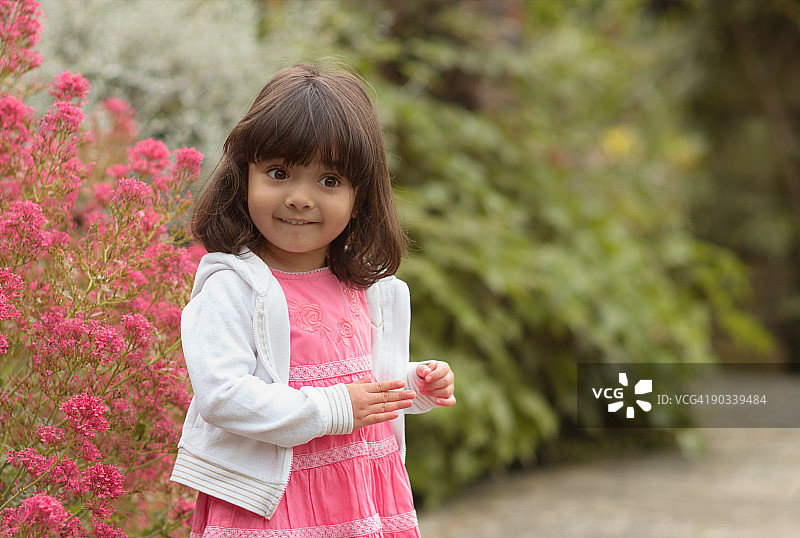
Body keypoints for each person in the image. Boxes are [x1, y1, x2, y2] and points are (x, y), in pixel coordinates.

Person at [170, 64, 456, 537]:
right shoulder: (234, 286)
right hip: (272, 504)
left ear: (360, 196)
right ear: (244, 178)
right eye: (279, 173)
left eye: (329, 181)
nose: (300, 198)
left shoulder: (364, 286)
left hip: (359, 494)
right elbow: (222, 395)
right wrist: (330, 409)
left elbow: (357, 386)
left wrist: (413, 384)